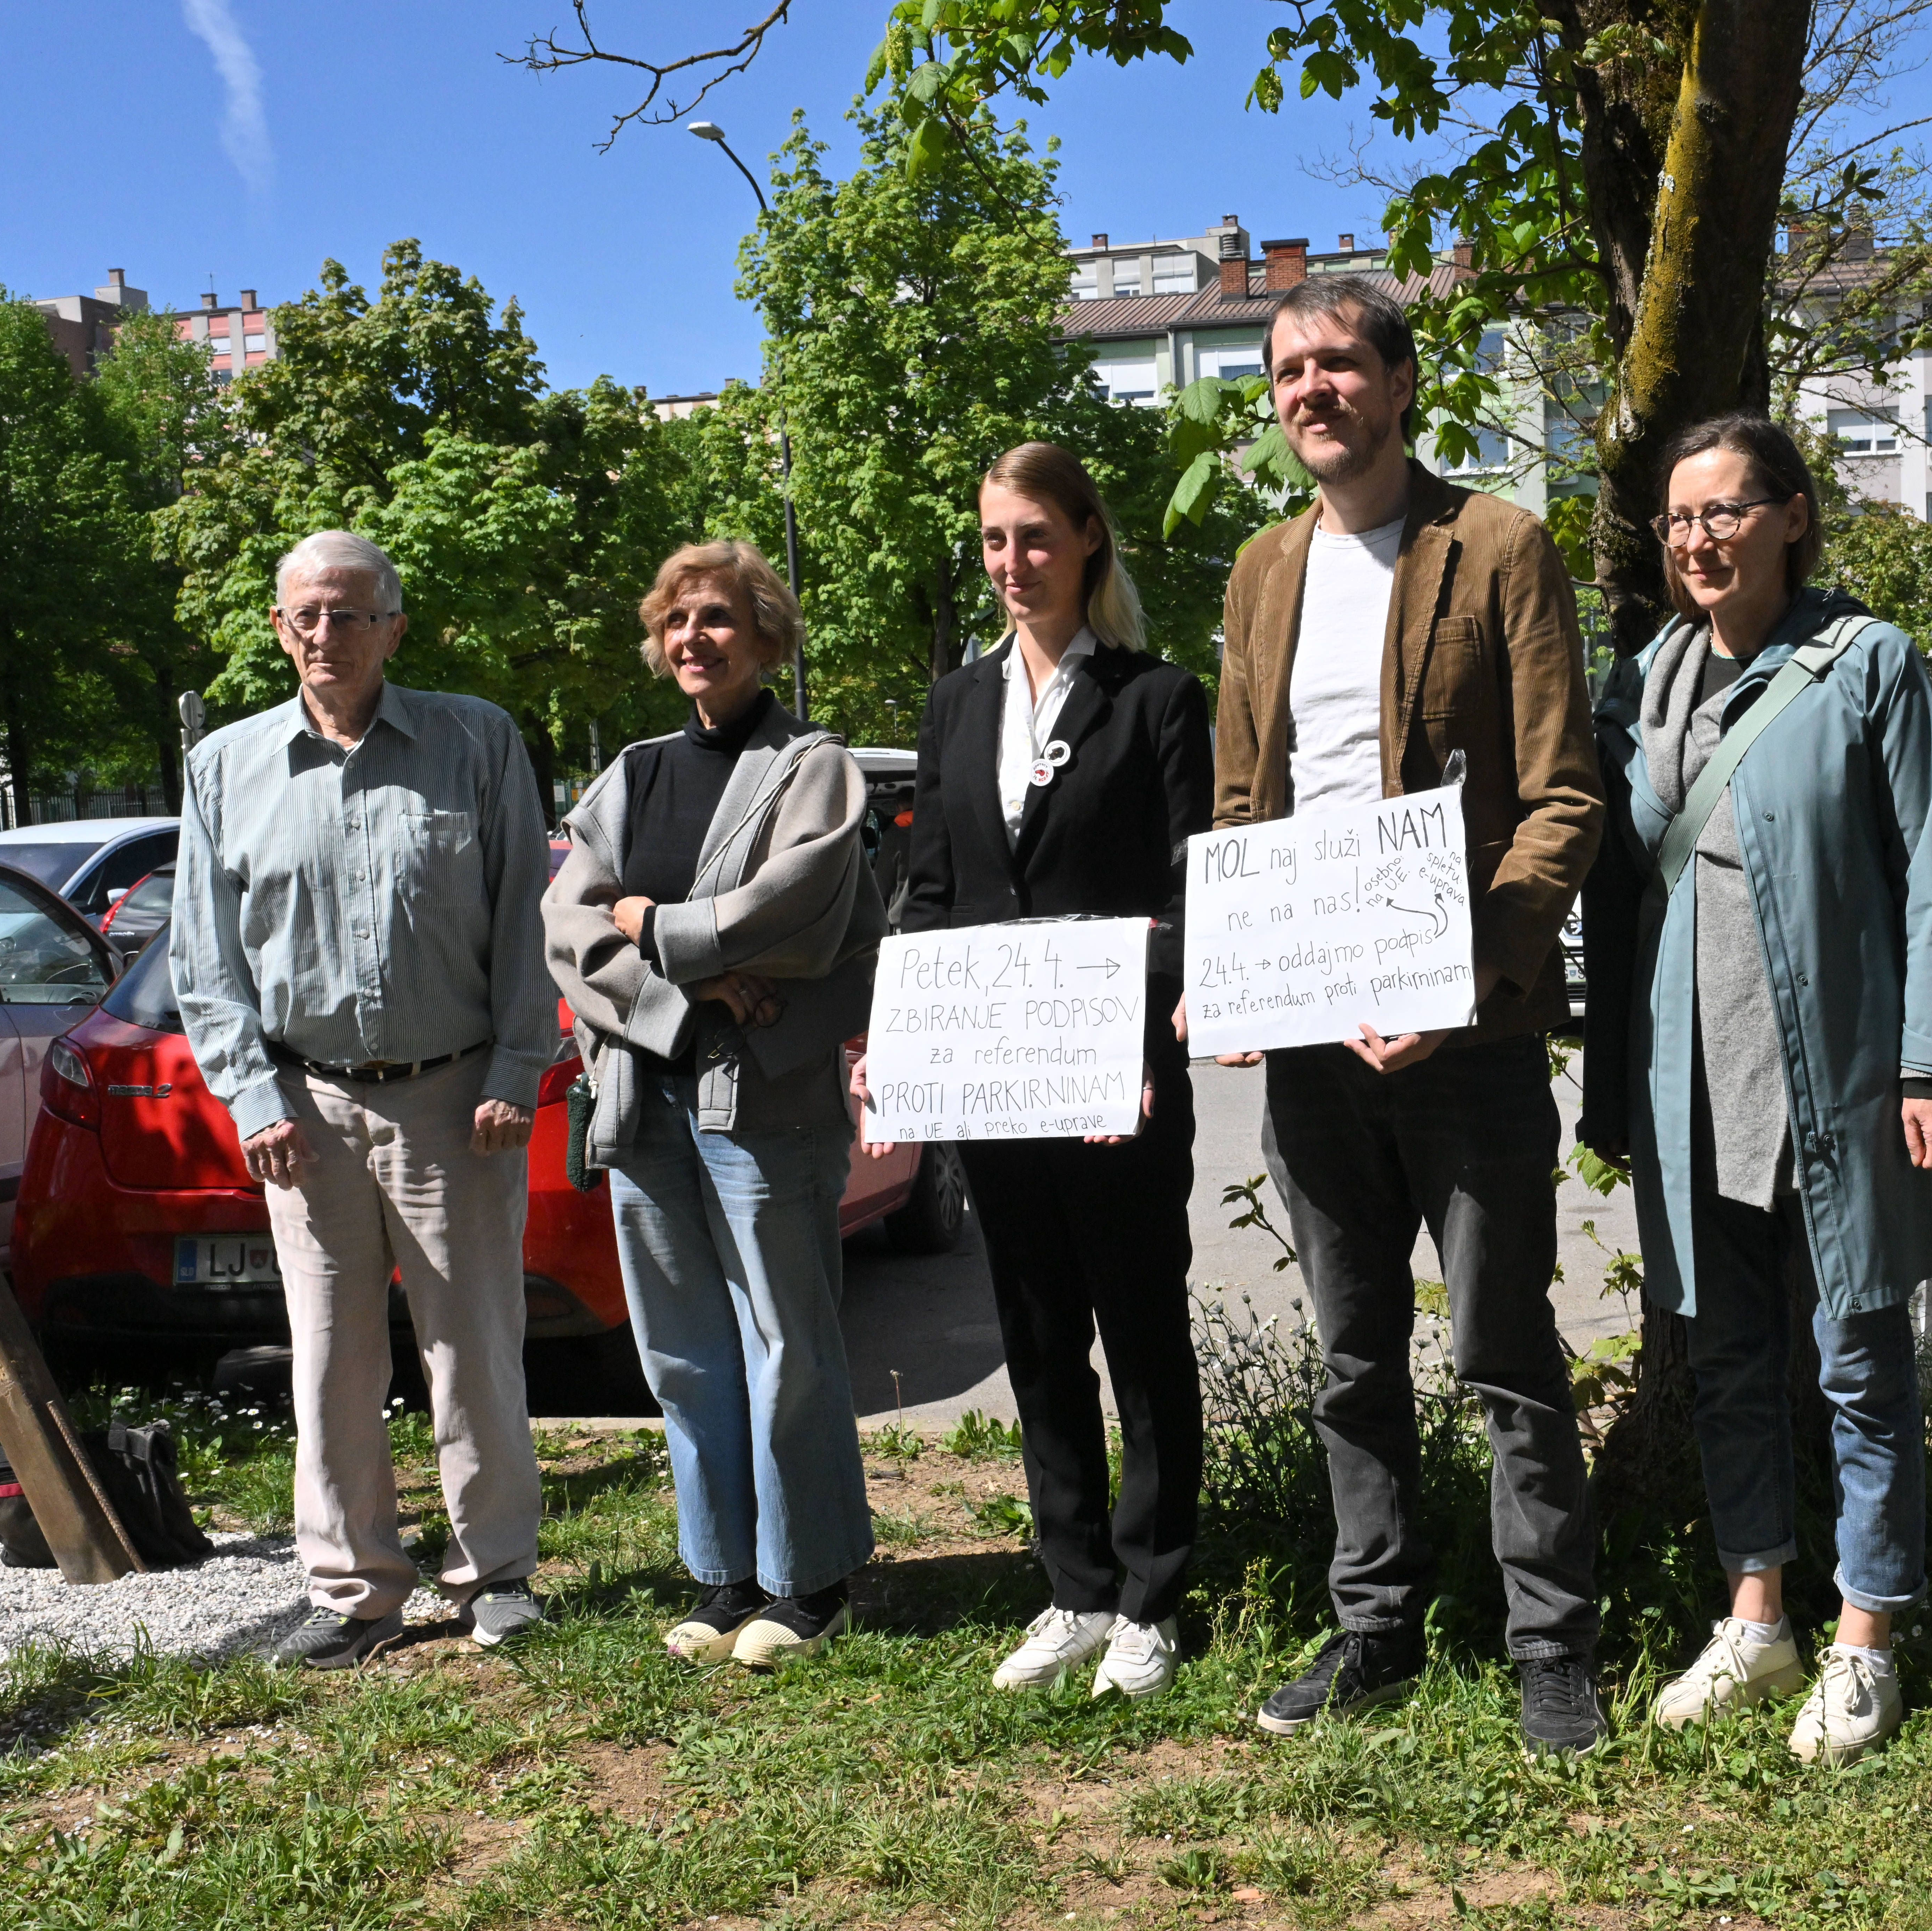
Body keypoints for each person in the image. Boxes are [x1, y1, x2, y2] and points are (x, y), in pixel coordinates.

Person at [1202, 273, 1607, 1755]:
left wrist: (1467, 975)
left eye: (1337, 363)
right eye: (1287, 371)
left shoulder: (1495, 545)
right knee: (1352, 1357)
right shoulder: (1262, 571)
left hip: (1469, 1040)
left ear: (1399, 381)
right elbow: (1241, 804)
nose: (1310, 390)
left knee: (1505, 1347)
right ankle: (1374, 1623)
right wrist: (1238, 964)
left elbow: (1565, 797)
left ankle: (1553, 1644)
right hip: (1314, 1044)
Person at [1579, 414, 1932, 1764]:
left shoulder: (1867, 663)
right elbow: (1616, 894)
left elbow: (1931, 874)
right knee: (1727, 1359)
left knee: (1860, 1358)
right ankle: (1757, 1617)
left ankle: (1867, 1638)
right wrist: (1608, 1087)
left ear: (1794, 516)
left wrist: (1931, 1062)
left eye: (1725, 512)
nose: (1697, 540)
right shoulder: (1641, 681)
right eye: (1678, 520)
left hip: (1840, 1072)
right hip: (1691, 1078)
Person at [856, 442, 1213, 1701]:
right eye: (996, 541)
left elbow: (1189, 886)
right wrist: (896, 1040)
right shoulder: (957, 704)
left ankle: (1153, 1599)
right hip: (997, 1083)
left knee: (1143, 1334)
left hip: (1118, 1081)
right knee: (1039, 1337)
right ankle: (1074, 1588)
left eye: (1037, 537)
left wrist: (1139, 1042)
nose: (1014, 562)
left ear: (1088, 539)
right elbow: (933, 893)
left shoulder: (1158, 697)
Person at [172, 530, 556, 1669]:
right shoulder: (226, 768)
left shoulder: (476, 740)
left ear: (394, 627)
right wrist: (254, 1098)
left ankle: (497, 1576)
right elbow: (205, 960)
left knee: (474, 1350)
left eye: (349, 613)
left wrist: (515, 1072)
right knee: (332, 1362)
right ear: (279, 628)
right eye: (306, 615)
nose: (325, 634)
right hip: (306, 1112)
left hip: (454, 1103)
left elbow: (524, 923)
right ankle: (354, 1592)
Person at [544, 540, 883, 1671]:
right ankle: (724, 1576)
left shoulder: (813, 768)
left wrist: (655, 926)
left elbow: (795, 912)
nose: (696, 637)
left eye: (721, 616)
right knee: (683, 1348)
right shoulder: (632, 772)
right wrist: (680, 996)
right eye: (678, 618)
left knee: (787, 1341)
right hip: (642, 1092)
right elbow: (566, 925)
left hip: (766, 1098)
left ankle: (812, 1580)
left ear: (768, 635)